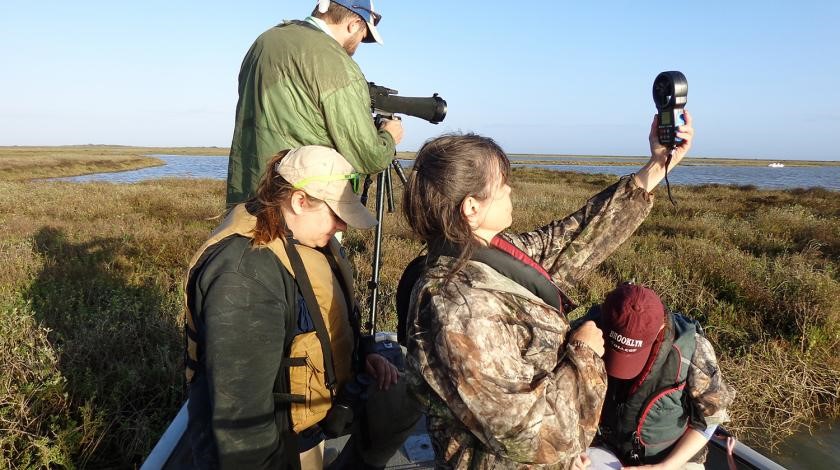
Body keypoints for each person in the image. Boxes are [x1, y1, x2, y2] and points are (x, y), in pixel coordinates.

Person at [399, 112, 695, 469]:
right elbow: (531, 436)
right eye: (501, 183)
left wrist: (656, 167)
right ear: (472, 208)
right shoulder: (462, 310)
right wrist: (583, 355)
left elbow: (570, 239)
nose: (510, 189)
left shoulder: (486, 253)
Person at [184, 146, 419, 469]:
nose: (343, 227)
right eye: (335, 214)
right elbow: (242, 422)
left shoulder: (302, 240)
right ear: (299, 201)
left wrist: (363, 355)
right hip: (268, 448)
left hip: (302, 432)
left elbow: (312, 325)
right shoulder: (244, 279)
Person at [226, 0, 404, 205]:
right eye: (364, 35)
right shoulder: (336, 62)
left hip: (247, 196)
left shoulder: (264, 41)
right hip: (301, 206)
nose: (360, 43)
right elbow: (369, 156)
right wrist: (388, 136)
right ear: (354, 24)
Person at [589, 284, 735, 469]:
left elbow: (712, 420)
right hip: (607, 447)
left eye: (633, 354)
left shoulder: (695, 349)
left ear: (660, 329)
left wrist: (665, 466)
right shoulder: (587, 330)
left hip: (674, 458)